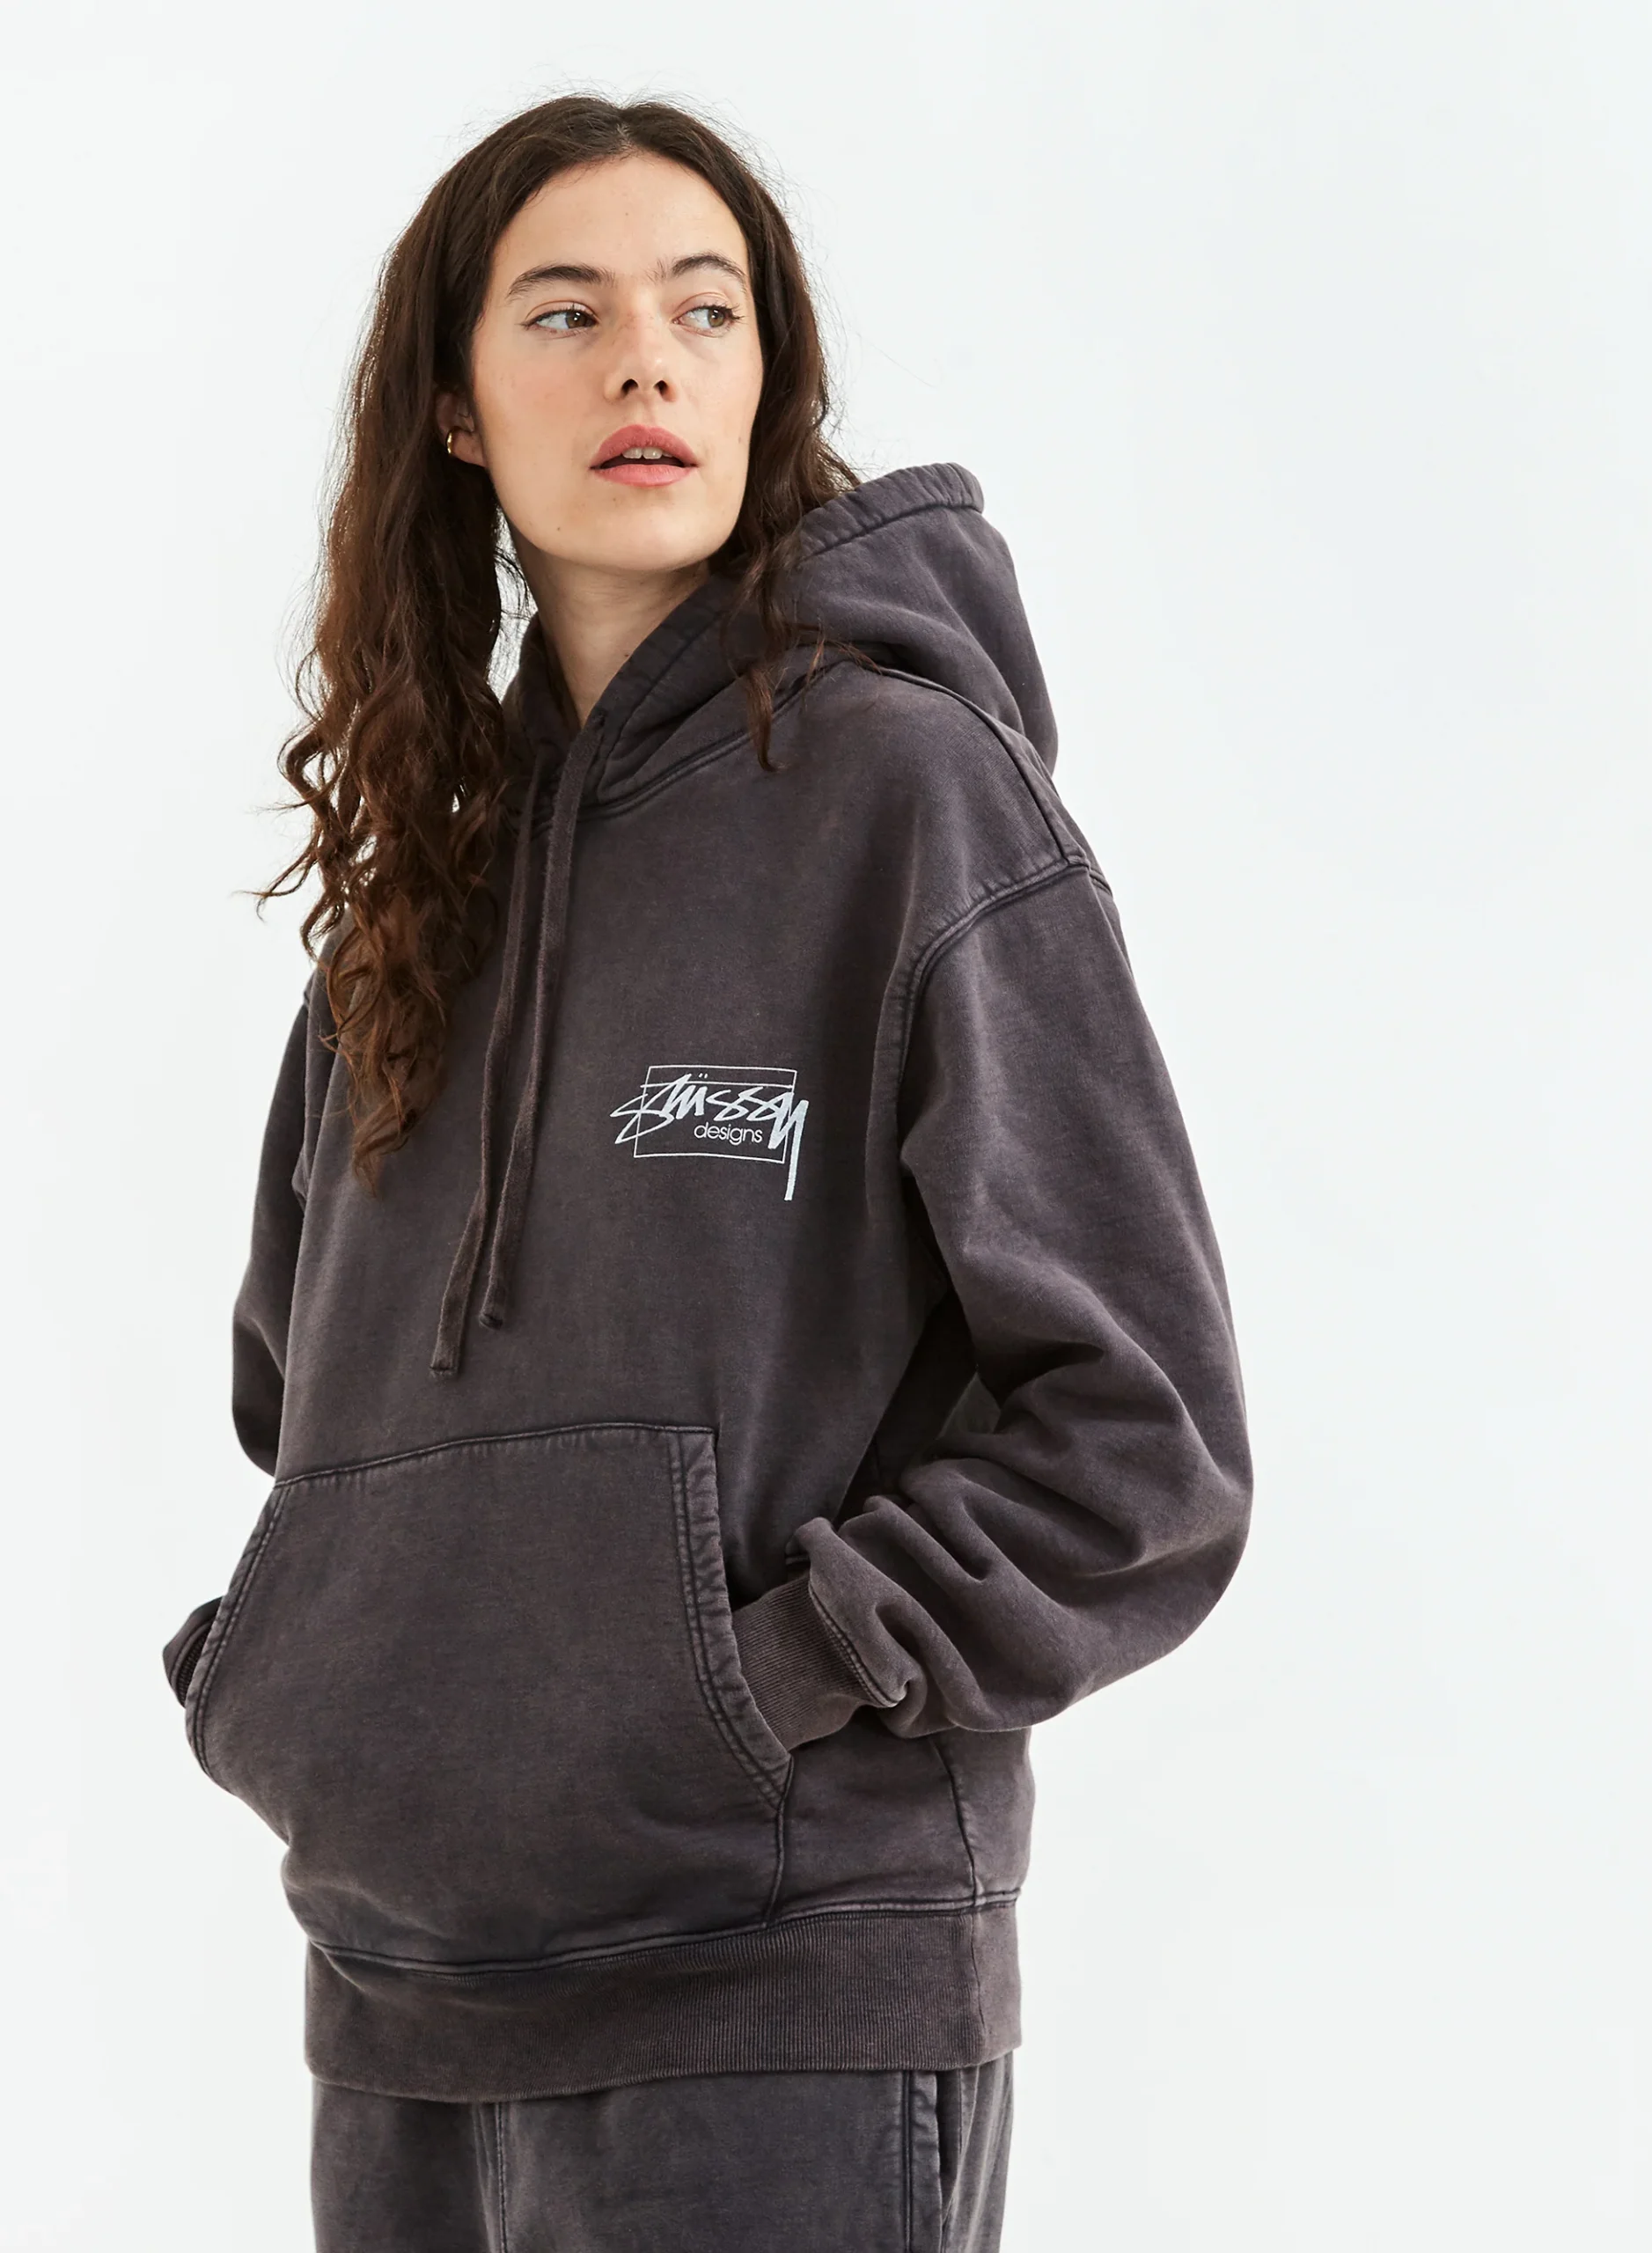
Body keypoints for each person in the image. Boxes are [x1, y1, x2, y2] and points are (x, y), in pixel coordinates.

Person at [163, 93, 1252, 2253]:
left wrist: (764, 1673)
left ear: (769, 383)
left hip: (781, 1999)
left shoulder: (907, 799)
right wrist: (315, 1675)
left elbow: (1145, 1436)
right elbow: (307, 1406)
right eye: (566, 313)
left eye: (705, 310)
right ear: (457, 408)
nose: (645, 361)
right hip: (403, 2008)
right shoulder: (415, 897)